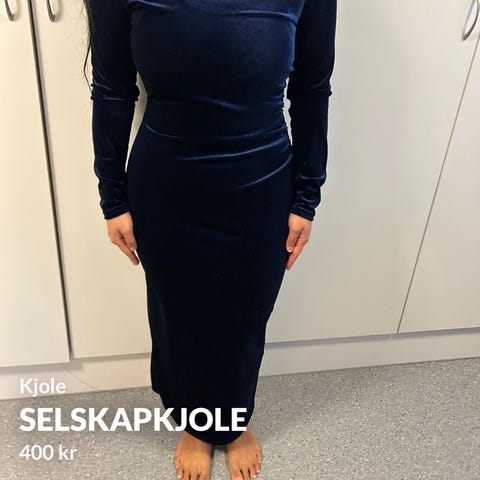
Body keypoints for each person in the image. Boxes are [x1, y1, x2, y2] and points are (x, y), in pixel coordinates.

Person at [85, 0, 336, 479]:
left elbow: (311, 88)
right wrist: (112, 199)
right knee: (180, 317)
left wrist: (307, 197)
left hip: (262, 183)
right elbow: (112, 88)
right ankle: (197, 424)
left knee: (245, 317)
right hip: (167, 184)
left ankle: (233, 421)